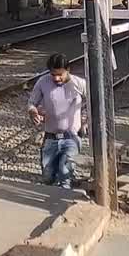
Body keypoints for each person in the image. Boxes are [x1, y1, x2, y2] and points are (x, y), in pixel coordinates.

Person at [26, 53, 88, 190]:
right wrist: (33, 112)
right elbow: (31, 103)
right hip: (50, 137)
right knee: (48, 177)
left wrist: (86, 121)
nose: (56, 78)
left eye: (60, 74)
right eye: (53, 74)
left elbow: (94, 102)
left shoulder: (79, 83)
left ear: (68, 70)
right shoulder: (43, 82)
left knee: (65, 172)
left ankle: (64, 193)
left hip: (71, 137)